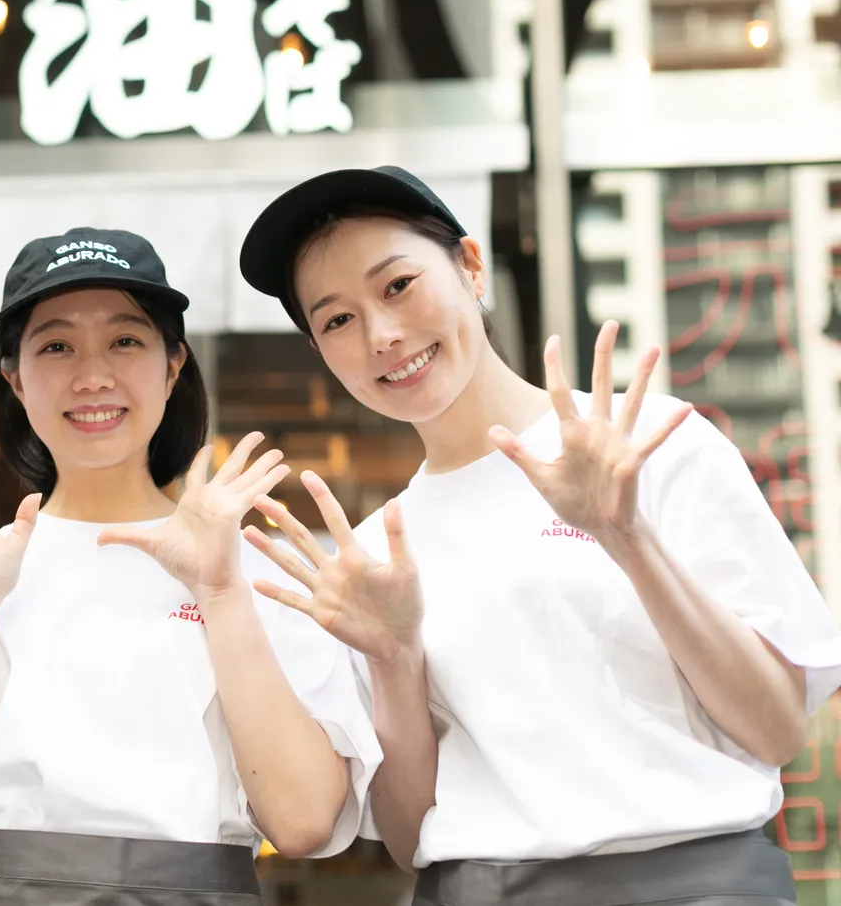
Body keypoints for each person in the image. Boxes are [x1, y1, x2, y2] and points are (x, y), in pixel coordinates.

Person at [235, 165, 841, 906]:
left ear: (471, 265)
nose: (383, 336)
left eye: (397, 285)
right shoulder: (378, 558)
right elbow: (405, 835)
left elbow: (778, 730)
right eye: (336, 320)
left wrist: (627, 535)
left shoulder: (648, 442)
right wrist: (395, 657)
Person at [0, 227, 380, 904]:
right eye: (56, 345)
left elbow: (301, 820)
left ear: (173, 363)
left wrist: (221, 591)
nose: (92, 375)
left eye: (125, 340)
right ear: (13, 376)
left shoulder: (252, 568)